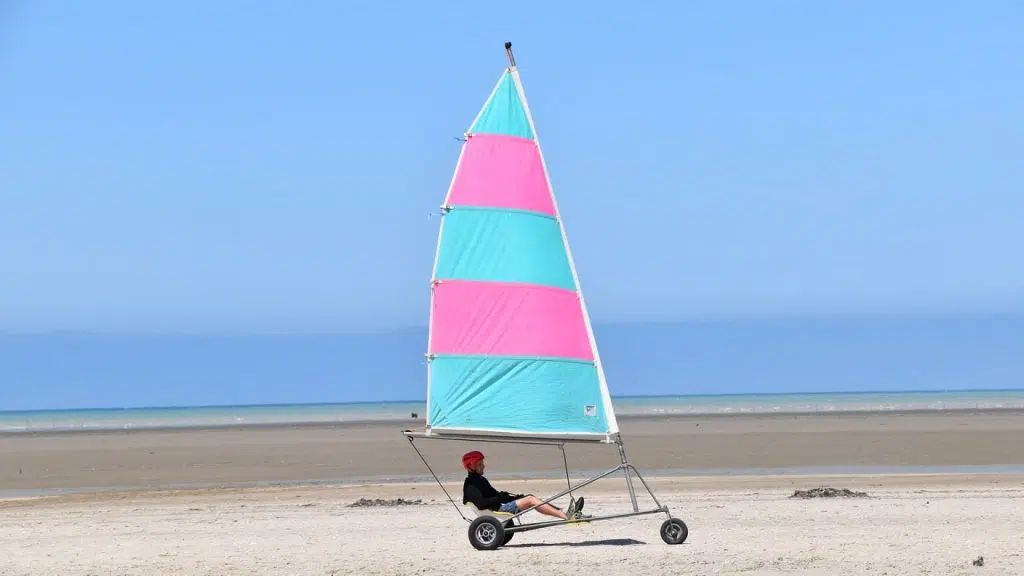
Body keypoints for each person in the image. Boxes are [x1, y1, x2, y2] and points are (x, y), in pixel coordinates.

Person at [461, 450, 586, 520]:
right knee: (531, 500)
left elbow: (496, 496)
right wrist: (499, 498)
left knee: (529, 497)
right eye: (479, 464)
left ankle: (563, 511)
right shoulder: (471, 485)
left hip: (498, 507)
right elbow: (482, 504)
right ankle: (566, 515)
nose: (483, 466)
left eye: (482, 463)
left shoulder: (480, 480)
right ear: (470, 466)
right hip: (498, 511)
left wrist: (514, 498)